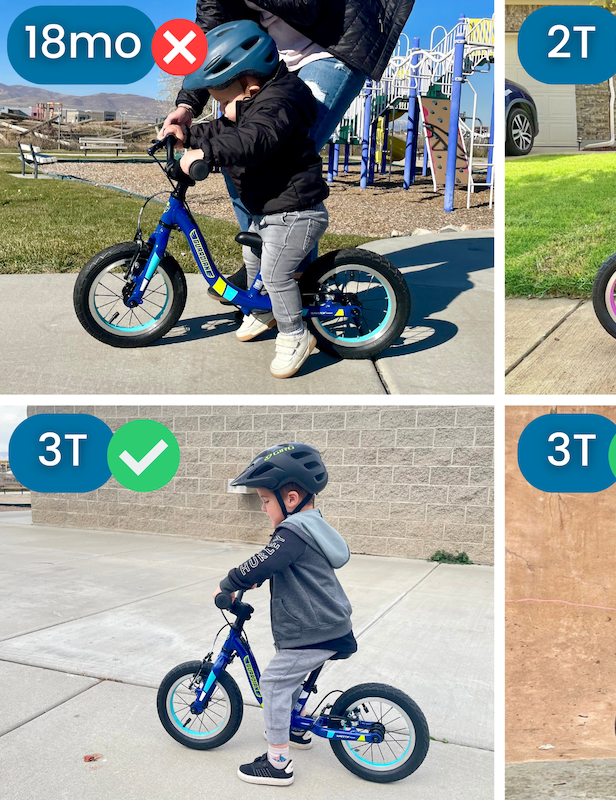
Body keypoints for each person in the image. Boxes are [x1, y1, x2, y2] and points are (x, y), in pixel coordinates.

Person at [159, 0, 414, 292]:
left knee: (270, 152)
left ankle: (289, 284)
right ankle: (267, 273)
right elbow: (210, 31)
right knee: (238, 158)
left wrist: (207, 151)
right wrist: (187, 107)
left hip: (331, 44)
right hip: (267, 59)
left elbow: (306, 6)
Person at [166, 21, 328, 378]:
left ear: (250, 85)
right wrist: (187, 135)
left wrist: (205, 154)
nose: (220, 109)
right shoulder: (255, 99)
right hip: (270, 209)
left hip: (297, 212)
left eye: (222, 101)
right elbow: (224, 129)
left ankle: (295, 335)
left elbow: (252, 140)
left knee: (276, 274)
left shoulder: (280, 105)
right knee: (251, 258)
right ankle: (263, 309)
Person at [216, 442, 355, 786]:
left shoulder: (291, 531)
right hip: (327, 623)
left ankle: (278, 763)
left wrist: (231, 582)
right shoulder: (310, 525)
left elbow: (265, 558)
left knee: (274, 683)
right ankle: (296, 726)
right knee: (288, 679)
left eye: (265, 500)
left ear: (290, 499)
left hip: (313, 629)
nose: (263, 508)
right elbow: (283, 564)